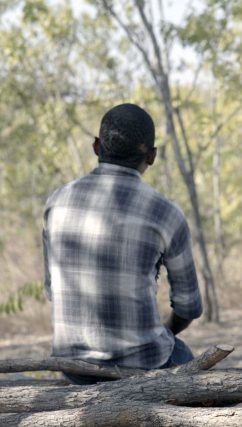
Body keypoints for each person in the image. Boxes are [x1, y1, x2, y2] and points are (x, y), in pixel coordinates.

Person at [42, 103, 203, 384]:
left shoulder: (57, 202)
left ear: (96, 147)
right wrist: (162, 333)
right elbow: (189, 308)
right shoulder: (165, 213)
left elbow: (52, 290)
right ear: (151, 156)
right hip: (141, 366)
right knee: (183, 358)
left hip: (73, 365)